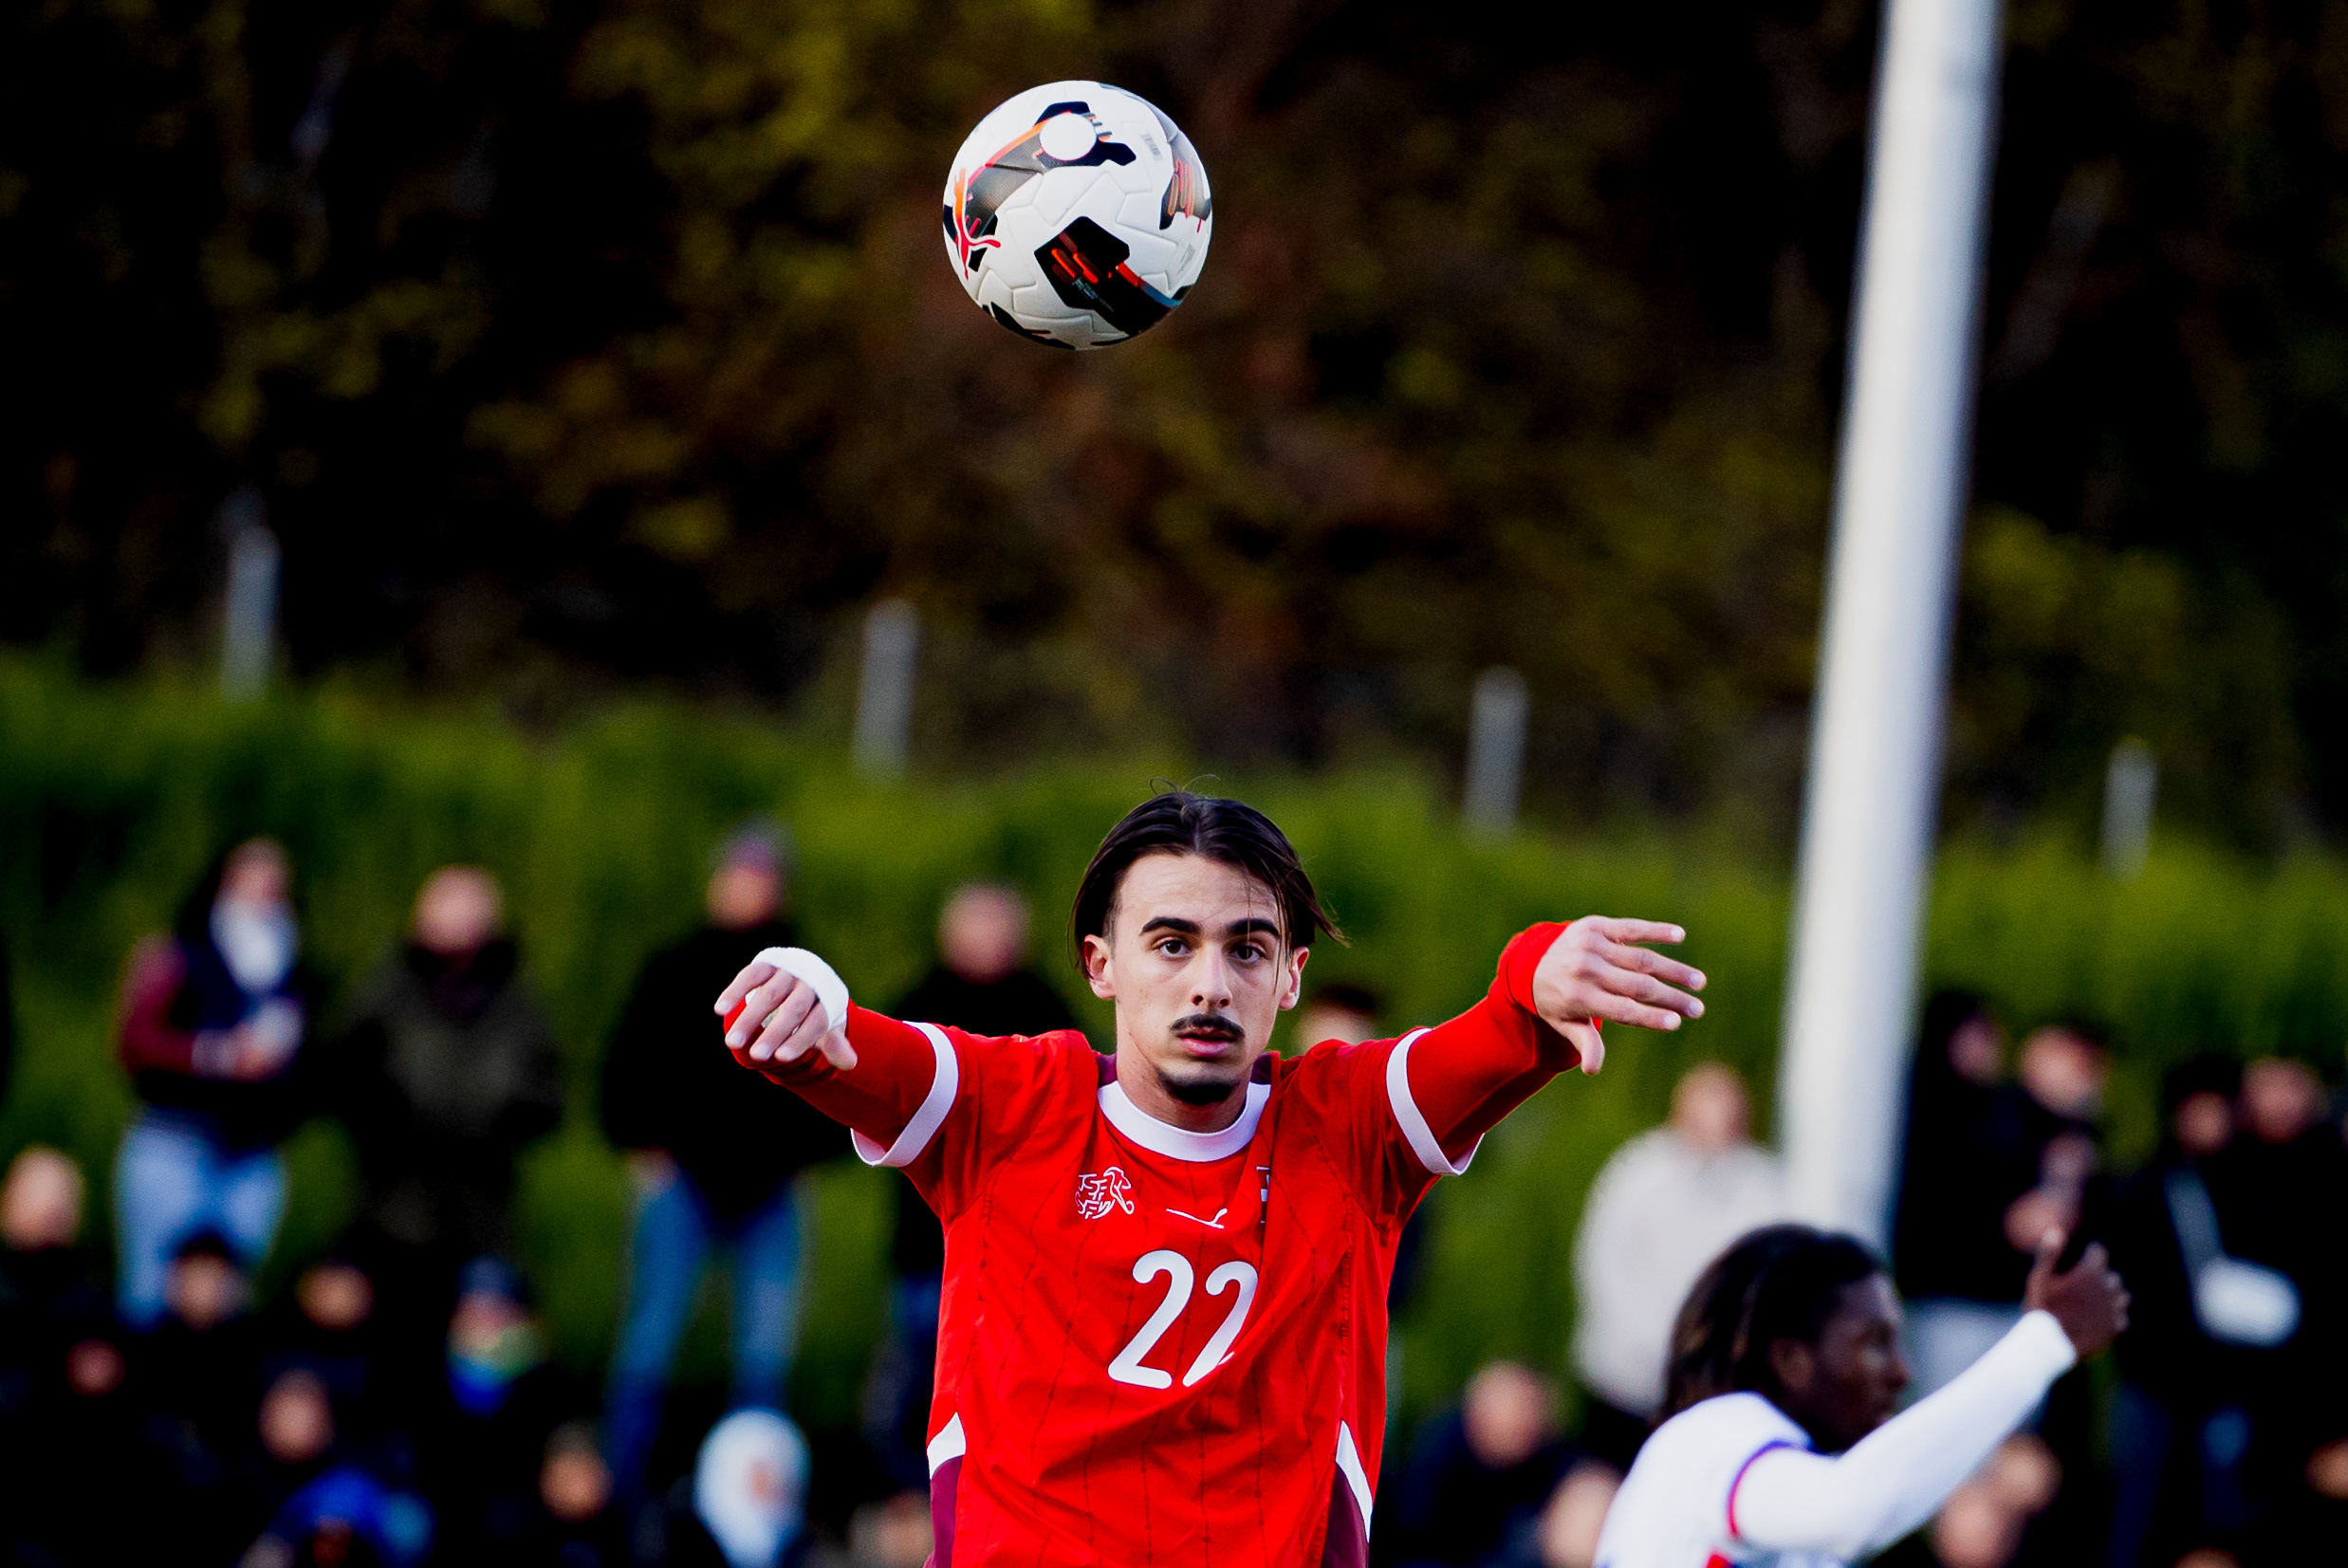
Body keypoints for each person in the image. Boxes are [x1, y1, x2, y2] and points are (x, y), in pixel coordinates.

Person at [716, 788, 1708, 1568]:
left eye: (1247, 949)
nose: (1210, 983)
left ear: (1291, 977)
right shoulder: (1009, 1105)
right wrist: (802, 983)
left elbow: (1494, 1033)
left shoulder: (1348, 1127)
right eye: (1171, 943)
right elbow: (842, 1044)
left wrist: (1537, 978)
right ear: (1100, 964)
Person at [1591, 1223, 2129, 1568]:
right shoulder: (1714, 1433)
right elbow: (1853, 1510)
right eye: (1874, 1344)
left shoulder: (1791, 1489)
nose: (1902, 1372)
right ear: (1791, 1360)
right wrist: (2043, 1344)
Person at [600, 821, 848, 1519]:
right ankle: (613, 1502)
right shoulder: (673, 965)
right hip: (680, 1180)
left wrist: (810, 1158)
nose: (746, 888)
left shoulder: (809, 976)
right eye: (738, 873)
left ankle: (754, 1515)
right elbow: (627, 1063)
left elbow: (843, 1064)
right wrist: (640, 1145)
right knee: (648, 1343)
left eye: (760, 877)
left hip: (772, 1187)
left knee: (764, 1358)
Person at [867, 881, 1076, 1493]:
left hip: (1022, 1248)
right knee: (918, 1381)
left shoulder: (1048, 1013)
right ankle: (912, 1506)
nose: (986, 937)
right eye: (975, 922)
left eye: (996, 923)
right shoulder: (914, 1009)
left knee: (1015, 1386)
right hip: (926, 1240)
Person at [332, 865, 564, 1318]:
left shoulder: (516, 1003)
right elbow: (344, 1076)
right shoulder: (386, 992)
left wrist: (500, 1118)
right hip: (388, 1209)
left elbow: (546, 1094)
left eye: (470, 905)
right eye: (447, 903)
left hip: (483, 1214)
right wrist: (387, 1121)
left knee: (483, 1344)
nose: (458, 918)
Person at [115, 838, 321, 1325]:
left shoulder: (292, 972)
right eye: (251, 877)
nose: (264, 890)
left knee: (231, 1302)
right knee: (154, 1293)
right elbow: (134, 1041)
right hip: (175, 1141)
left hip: (252, 1153)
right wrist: (216, 1056)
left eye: (275, 882)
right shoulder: (177, 953)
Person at [1570, 1061, 1787, 1470]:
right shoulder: (1637, 1173)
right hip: (1627, 1381)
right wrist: (1657, 1347)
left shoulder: (1763, 1187)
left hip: (1717, 1388)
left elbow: (1771, 1283)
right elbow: (1604, 1265)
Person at [1384, 1360, 1581, 1568]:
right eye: (1517, 1407)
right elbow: (1414, 1530)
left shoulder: (1554, 1463)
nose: (1526, 1421)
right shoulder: (1439, 1456)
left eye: (1532, 1408)